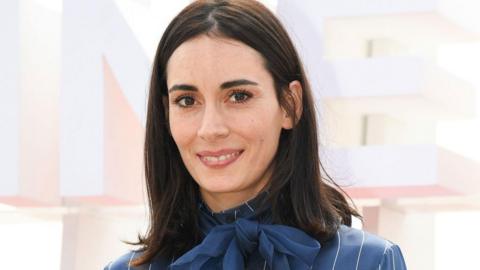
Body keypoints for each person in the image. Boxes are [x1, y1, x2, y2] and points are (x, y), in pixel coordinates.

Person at [105, 0, 407, 269]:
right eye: (187, 100)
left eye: (238, 96)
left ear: (290, 105)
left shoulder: (368, 262)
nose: (210, 129)